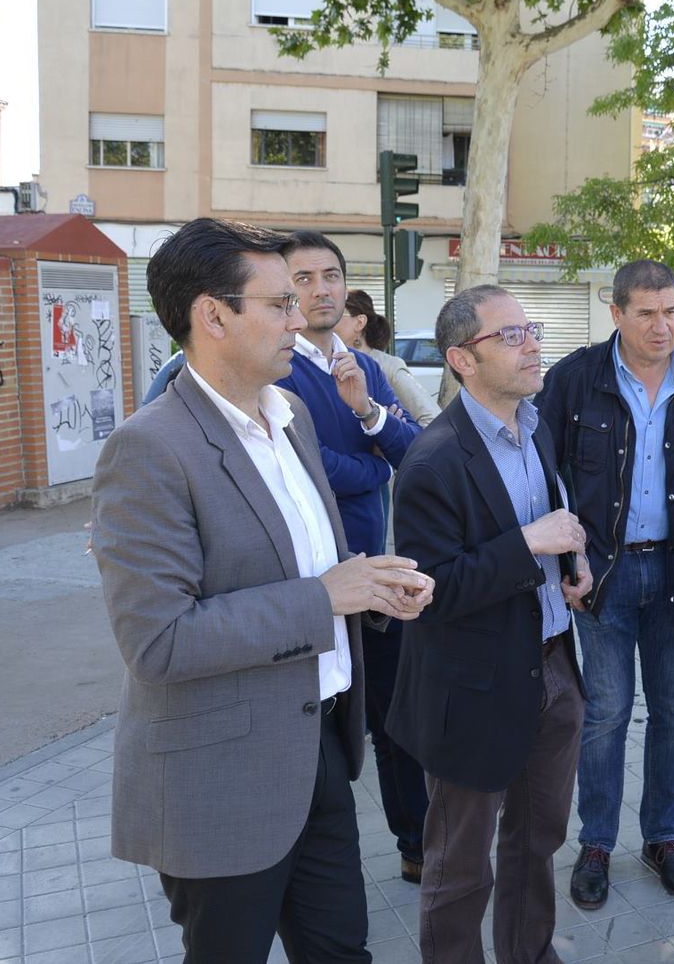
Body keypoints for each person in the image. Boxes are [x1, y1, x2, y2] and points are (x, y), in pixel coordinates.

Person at [89, 217, 434, 962]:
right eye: (279, 303)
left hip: (321, 747)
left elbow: (312, 565)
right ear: (213, 316)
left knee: (342, 952)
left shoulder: (293, 415)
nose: (302, 318)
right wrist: (328, 597)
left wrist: (374, 590)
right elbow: (158, 641)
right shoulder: (148, 448)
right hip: (221, 777)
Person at [389, 285, 592, 963]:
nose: (532, 345)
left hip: (553, 666)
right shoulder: (432, 460)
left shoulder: (536, 428)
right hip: (473, 690)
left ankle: (529, 955)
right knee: (460, 866)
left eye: (531, 330)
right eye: (510, 336)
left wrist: (573, 562)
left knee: (538, 841)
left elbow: (549, 524)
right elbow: (432, 590)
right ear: (462, 359)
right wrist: (529, 544)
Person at [535, 259, 674, 907]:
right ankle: (597, 843)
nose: (663, 326)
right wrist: (567, 567)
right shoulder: (575, 379)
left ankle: (663, 838)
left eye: (672, 312)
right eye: (648, 313)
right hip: (603, 575)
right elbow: (545, 479)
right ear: (617, 313)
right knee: (605, 714)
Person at [276, 232, 430, 884]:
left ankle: (418, 846)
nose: (321, 290)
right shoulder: (277, 367)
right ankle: (303, 861)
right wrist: (375, 467)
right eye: (303, 279)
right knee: (321, 726)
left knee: (396, 722)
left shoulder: (363, 366)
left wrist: (368, 413)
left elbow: (415, 453)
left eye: (331, 276)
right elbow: (302, 467)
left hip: (376, 578)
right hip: (309, 584)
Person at [340, 289, 440, 428]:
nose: (329, 319)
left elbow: (432, 420)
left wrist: (396, 435)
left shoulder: (388, 366)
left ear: (360, 323)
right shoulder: (327, 363)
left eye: (338, 313)